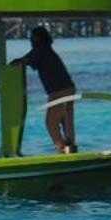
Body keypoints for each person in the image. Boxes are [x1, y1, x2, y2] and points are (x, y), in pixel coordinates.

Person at [12, 24, 78, 153]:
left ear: (36, 38)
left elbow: (22, 61)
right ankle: (71, 150)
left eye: (32, 37)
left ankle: (62, 150)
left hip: (59, 91)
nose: (30, 40)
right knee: (67, 123)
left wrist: (10, 65)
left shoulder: (39, 50)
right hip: (68, 88)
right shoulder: (47, 49)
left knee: (51, 123)